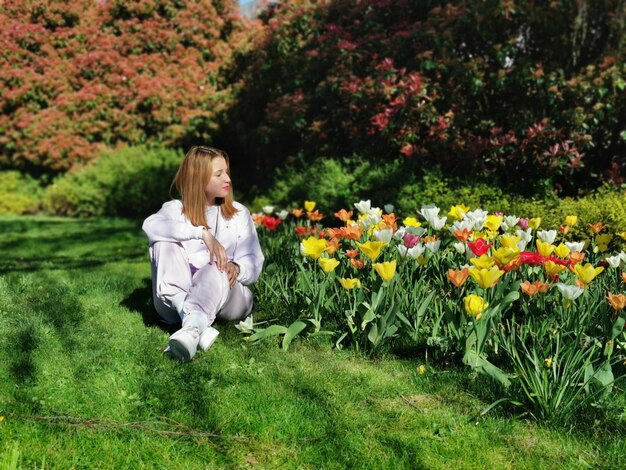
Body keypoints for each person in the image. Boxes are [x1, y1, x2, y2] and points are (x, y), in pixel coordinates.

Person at [142, 146, 264, 361]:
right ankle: (195, 325)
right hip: (174, 300)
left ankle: (191, 327)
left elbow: (254, 262)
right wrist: (201, 233)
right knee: (163, 241)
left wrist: (238, 268)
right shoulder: (174, 210)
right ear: (198, 178)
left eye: (226, 171)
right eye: (219, 174)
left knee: (217, 266)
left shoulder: (239, 213)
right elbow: (150, 226)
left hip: (228, 296)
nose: (227, 178)